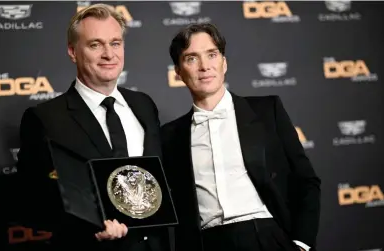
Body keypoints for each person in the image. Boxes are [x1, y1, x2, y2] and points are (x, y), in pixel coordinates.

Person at [17, 4, 170, 251]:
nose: (109, 54)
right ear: (72, 51)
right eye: (95, 44)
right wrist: (90, 226)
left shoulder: (144, 105)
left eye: (115, 43)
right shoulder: (46, 118)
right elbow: (29, 201)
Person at [161, 23, 321, 251]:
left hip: (267, 237)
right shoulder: (169, 136)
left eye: (212, 55)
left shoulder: (267, 111)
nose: (205, 66)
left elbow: (306, 181)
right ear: (178, 72)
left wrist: (302, 244)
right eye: (192, 58)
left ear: (224, 63)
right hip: (208, 244)